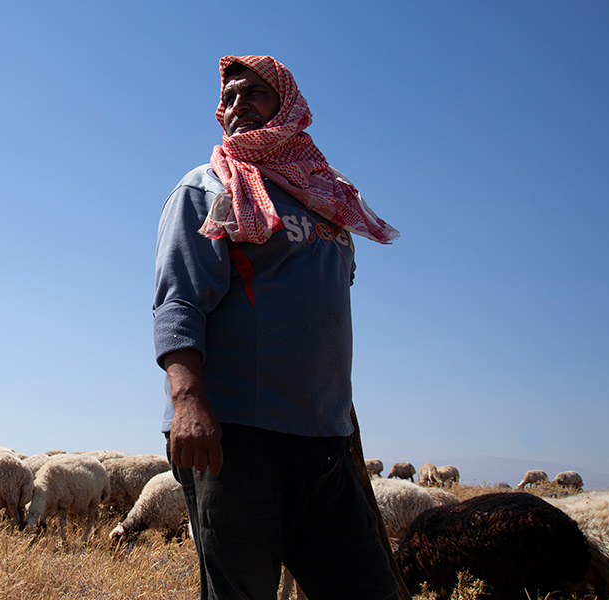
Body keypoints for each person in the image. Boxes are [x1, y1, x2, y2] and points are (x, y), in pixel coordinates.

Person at [152, 55, 401, 600]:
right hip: (238, 438)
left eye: (255, 95)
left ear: (287, 104)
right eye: (231, 97)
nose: (238, 107)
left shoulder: (329, 197)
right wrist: (188, 402)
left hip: (324, 441)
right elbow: (179, 303)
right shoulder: (209, 188)